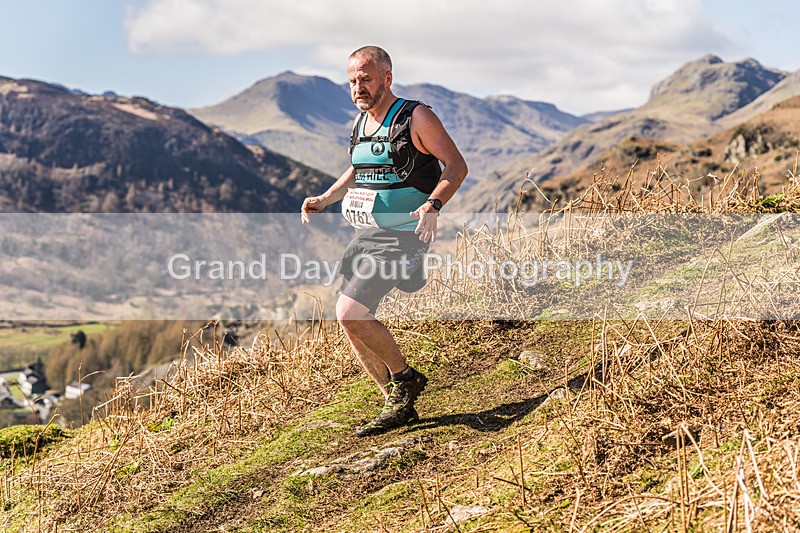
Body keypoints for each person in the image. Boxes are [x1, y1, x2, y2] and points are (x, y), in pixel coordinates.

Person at [301, 45, 468, 437]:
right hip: (369, 234)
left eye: (366, 79)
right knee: (351, 321)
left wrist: (433, 204)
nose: (358, 88)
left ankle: (405, 379)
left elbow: (456, 165)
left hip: (405, 234)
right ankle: (395, 403)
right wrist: (325, 198)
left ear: (387, 79)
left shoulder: (416, 116)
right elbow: (359, 168)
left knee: (348, 311)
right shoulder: (361, 123)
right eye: (352, 81)